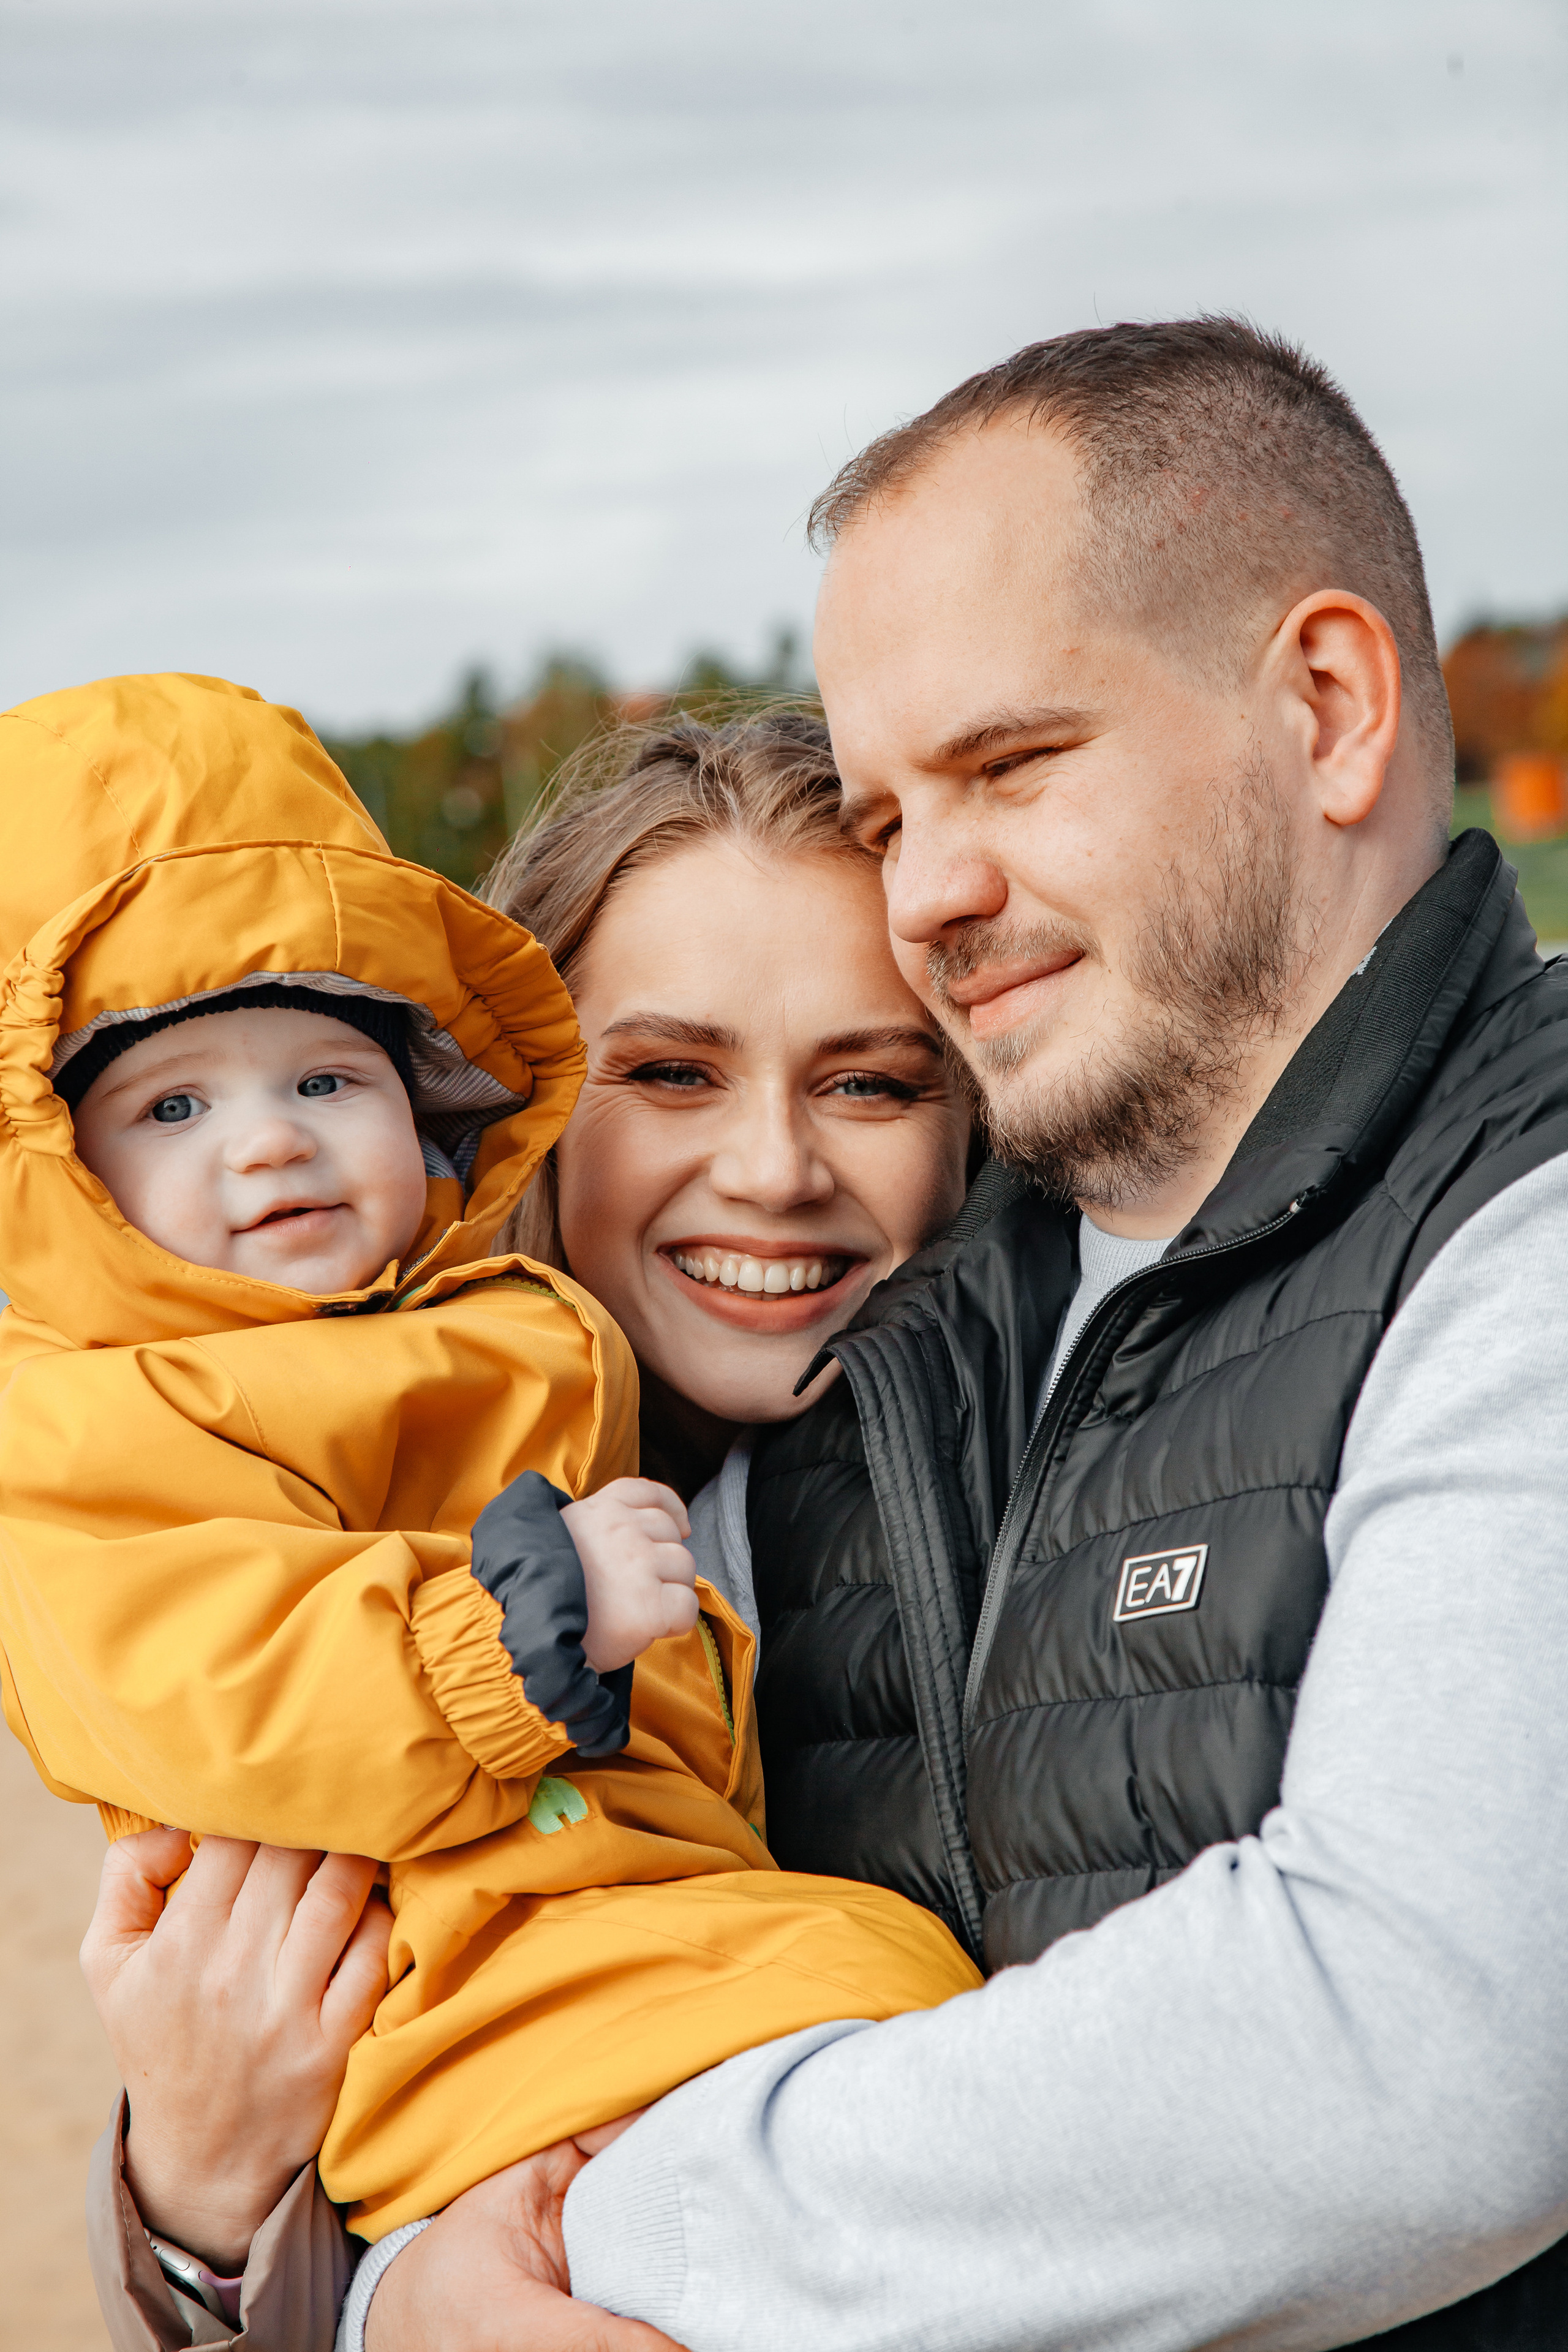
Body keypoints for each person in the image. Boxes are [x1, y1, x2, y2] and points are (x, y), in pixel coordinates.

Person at [375, 320, 1568, 2346]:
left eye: (1011, 764)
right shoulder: (865, 1387)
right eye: (892, 811)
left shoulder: (1518, 1240)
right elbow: (527, 1990)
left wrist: (602, 2235)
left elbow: (1420, 2048)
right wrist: (345, 2265)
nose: (933, 890)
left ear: (1332, 705)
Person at [68, 696, 976, 2347]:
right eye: (673, 1072)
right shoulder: (328, 1447)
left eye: (870, 1081)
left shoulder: (1013, 1492)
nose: (771, 1167)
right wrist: (199, 2198)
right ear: (510, 1105)